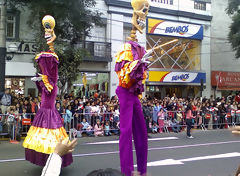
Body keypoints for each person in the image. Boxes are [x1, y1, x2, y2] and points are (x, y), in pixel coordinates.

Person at [23, 15, 72, 167]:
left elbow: (49, 86)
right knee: (42, 140)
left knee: (50, 139)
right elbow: (43, 88)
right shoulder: (46, 84)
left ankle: (53, 160)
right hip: (43, 112)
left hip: (49, 113)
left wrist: (43, 79)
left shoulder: (52, 85)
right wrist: (40, 81)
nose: (46, 35)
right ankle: (46, 160)